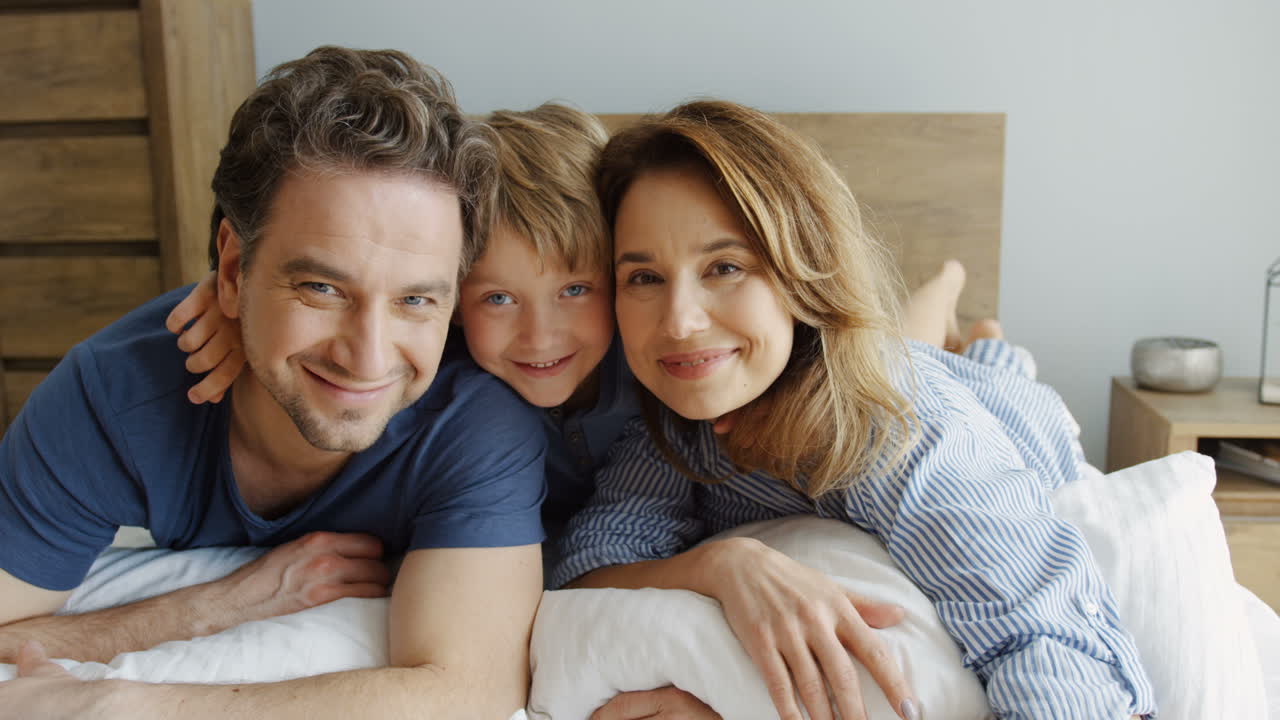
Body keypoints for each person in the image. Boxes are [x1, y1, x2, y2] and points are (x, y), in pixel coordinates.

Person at [552, 100, 1156, 720]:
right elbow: (592, 567)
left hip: (1005, 410)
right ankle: (944, 309)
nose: (678, 322)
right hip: (861, 355)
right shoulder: (674, 413)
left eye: (724, 267)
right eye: (644, 278)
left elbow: (1046, 639)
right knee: (901, 338)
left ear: (802, 274)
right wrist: (720, 563)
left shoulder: (906, 429)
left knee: (987, 366)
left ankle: (970, 317)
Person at [0, 46, 548, 719]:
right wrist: (212, 606)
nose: (368, 356)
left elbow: (469, 691)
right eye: (321, 287)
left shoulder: (476, 417)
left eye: (416, 301)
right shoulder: (117, 394)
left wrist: (116, 703)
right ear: (231, 273)